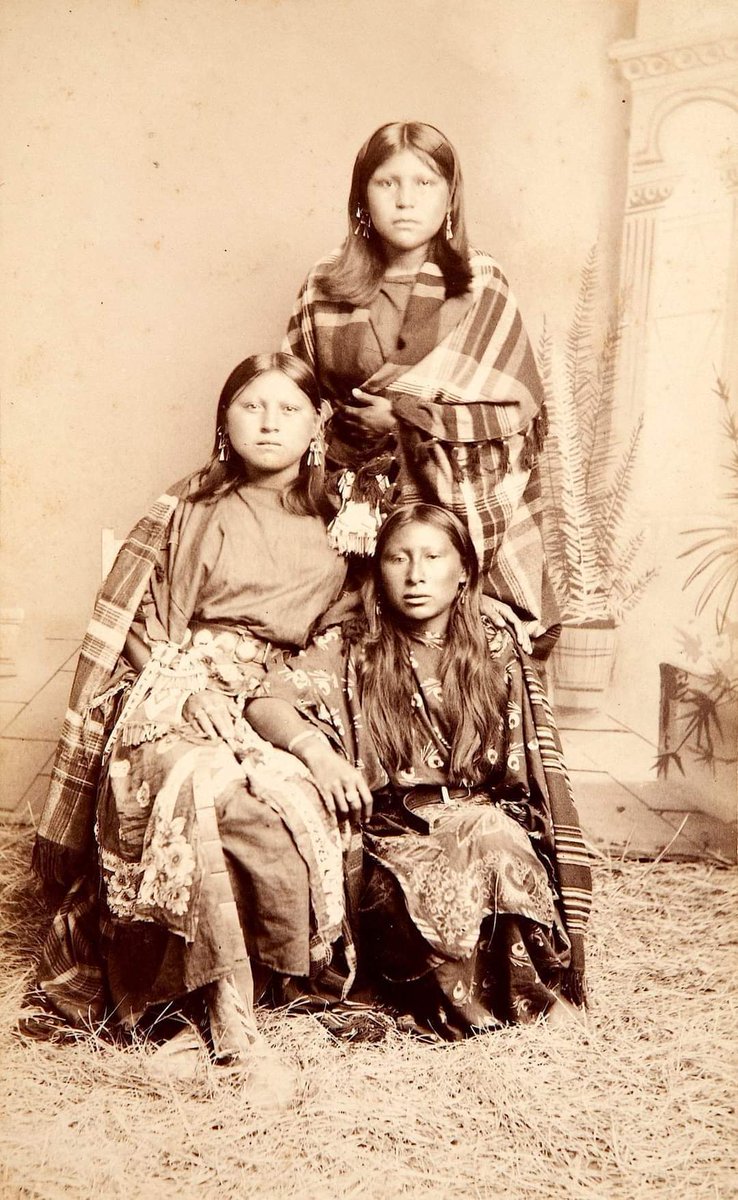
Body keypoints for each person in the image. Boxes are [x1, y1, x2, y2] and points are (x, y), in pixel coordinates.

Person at [31, 352, 350, 1092]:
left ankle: (236, 996)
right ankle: (224, 1019)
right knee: (194, 784)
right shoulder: (186, 509)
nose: (269, 422)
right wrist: (187, 688)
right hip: (170, 694)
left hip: (279, 700)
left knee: (272, 806)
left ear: (317, 424)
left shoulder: (343, 524)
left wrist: (274, 708)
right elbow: (138, 627)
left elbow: (341, 636)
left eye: (288, 409)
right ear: (224, 419)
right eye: (251, 406)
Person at [246, 504, 592, 1039]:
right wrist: (321, 755)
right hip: (396, 836)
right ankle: (465, 1010)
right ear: (377, 571)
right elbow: (265, 701)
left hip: (488, 819)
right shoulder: (352, 646)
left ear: (464, 573)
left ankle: (532, 1001)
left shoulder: (495, 647)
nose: (416, 574)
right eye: (397, 558)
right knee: (444, 869)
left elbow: (529, 772)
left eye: (433, 557)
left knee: (491, 838)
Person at [284, 120, 559, 657]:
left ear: (450, 198)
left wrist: (406, 420)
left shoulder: (482, 282)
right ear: (362, 194)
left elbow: (515, 413)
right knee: (313, 638)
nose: (405, 200)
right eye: (387, 183)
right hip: (341, 499)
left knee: (453, 644)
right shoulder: (323, 282)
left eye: (425, 183)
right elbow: (295, 392)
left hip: (447, 503)